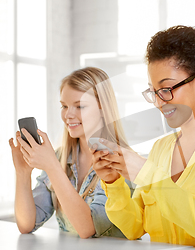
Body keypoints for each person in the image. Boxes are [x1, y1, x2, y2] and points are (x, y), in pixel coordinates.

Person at [91, 25, 195, 250]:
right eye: (153, 92)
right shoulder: (161, 148)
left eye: (167, 88)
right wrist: (114, 183)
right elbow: (134, 228)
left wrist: (149, 175)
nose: (160, 102)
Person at [9, 67, 130, 239]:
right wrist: (22, 173)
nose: (68, 115)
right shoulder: (60, 158)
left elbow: (88, 228)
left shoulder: (121, 161)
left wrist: (52, 167)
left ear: (103, 108)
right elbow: (26, 224)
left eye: (79, 106)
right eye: (64, 106)